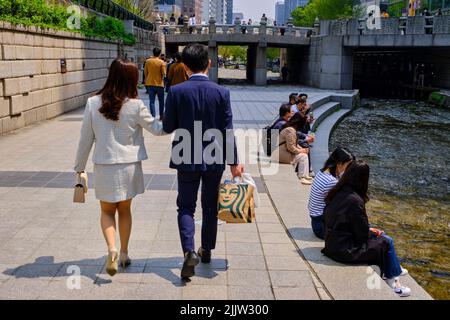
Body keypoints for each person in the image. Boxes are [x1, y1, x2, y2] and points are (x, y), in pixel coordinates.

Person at [74, 59, 164, 277]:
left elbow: (85, 139)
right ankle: (124, 253)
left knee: (106, 211)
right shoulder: (135, 105)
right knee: (124, 211)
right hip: (129, 167)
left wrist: (80, 167)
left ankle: (111, 249)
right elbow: (158, 129)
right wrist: (177, 117)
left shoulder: (92, 103)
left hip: (104, 166)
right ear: (131, 80)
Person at [163, 44, 244, 280]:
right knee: (210, 206)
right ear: (209, 63)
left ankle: (189, 251)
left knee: (186, 206)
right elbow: (227, 130)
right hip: (215, 156)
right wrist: (234, 162)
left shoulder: (176, 92)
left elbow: (168, 126)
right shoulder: (222, 93)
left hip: (185, 155)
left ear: (184, 67)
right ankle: (206, 250)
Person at [322, 160, 411, 297]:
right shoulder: (356, 201)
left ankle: (394, 269)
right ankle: (394, 283)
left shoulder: (336, 192)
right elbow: (362, 235)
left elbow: (340, 221)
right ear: (363, 179)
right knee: (386, 241)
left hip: (331, 243)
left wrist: (369, 230)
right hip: (344, 250)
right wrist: (370, 231)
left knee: (381, 237)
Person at [308, 147, 355, 239]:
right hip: (322, 227)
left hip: (316, 220)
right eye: (348, 165)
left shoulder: (323, 172)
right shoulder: (331, 181)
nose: (349, 168)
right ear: (339, 164)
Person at [276, 113, 312, 185]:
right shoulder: (291, 130)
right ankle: (301, 177)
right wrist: (301, 151)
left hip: (281, 152)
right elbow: (291, 147)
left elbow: (294, 143)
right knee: (303, 156)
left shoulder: (290, 128)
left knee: (303, 153)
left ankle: (305, 175)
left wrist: (302, 149)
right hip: (281, 154)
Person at [144, 47, 166, 120]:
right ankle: (161, 116)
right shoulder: (161, 62)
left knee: (152, 101)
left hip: (150, 83)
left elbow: (145, 72)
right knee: (161, 101)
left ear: (152, 52)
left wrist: (147, 79)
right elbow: (164, 74)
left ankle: (153, 116)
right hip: (159, 84)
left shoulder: (148, 61)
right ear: (159, 54)